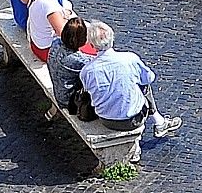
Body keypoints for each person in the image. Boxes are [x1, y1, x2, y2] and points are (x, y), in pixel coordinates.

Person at [78, 27, 183, 159]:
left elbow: (88, 90)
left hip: (106, 119)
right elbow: (150, 78)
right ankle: (159, 123)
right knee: (143, 85)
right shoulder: (129, 59)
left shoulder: (87, 70)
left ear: (92, 45)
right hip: (133, 119)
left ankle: (151, 132)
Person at [49, 17, 99, 122]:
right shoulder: (76, 60)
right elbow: (100, 62)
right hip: (68, 100)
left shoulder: (56, 43)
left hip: (58, 88)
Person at [24, 0, 74, 64]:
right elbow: (63, 33)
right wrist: (65, 16)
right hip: (45, 51)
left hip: (36, 41)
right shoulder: (51, 7)